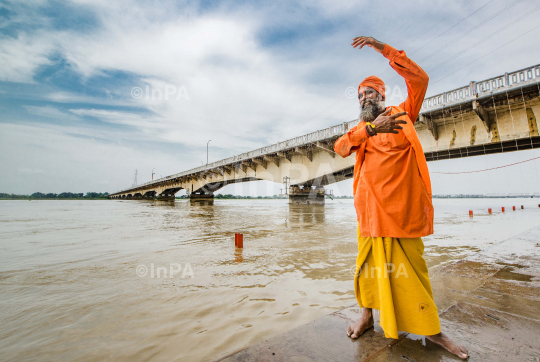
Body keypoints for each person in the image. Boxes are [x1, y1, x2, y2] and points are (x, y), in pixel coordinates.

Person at [333, 36, 469, 360]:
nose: (365, 97)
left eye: (371, 92)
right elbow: (339, 148)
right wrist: (370, 129)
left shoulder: (403, 114)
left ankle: (432, 331)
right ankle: (367, 315)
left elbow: (420, 79)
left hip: (401, 213)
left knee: (415, 273)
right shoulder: (361, 130)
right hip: (368, 216)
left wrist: (383, 49)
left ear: (382, 95)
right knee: (366, 271)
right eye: (360, 95)